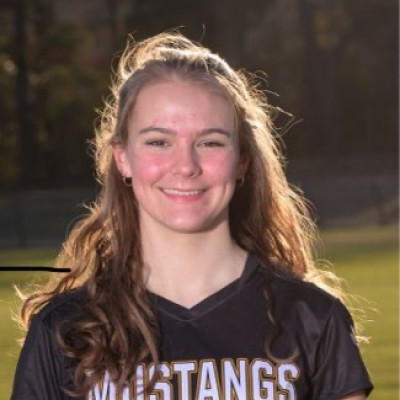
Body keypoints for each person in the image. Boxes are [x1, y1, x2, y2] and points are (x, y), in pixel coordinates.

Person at [11, 32, 373, 400]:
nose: (186, 166)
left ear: (241, 161)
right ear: (122, 158)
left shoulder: (311, 317)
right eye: (158, 141)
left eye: (210, 142)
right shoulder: (65, 329)